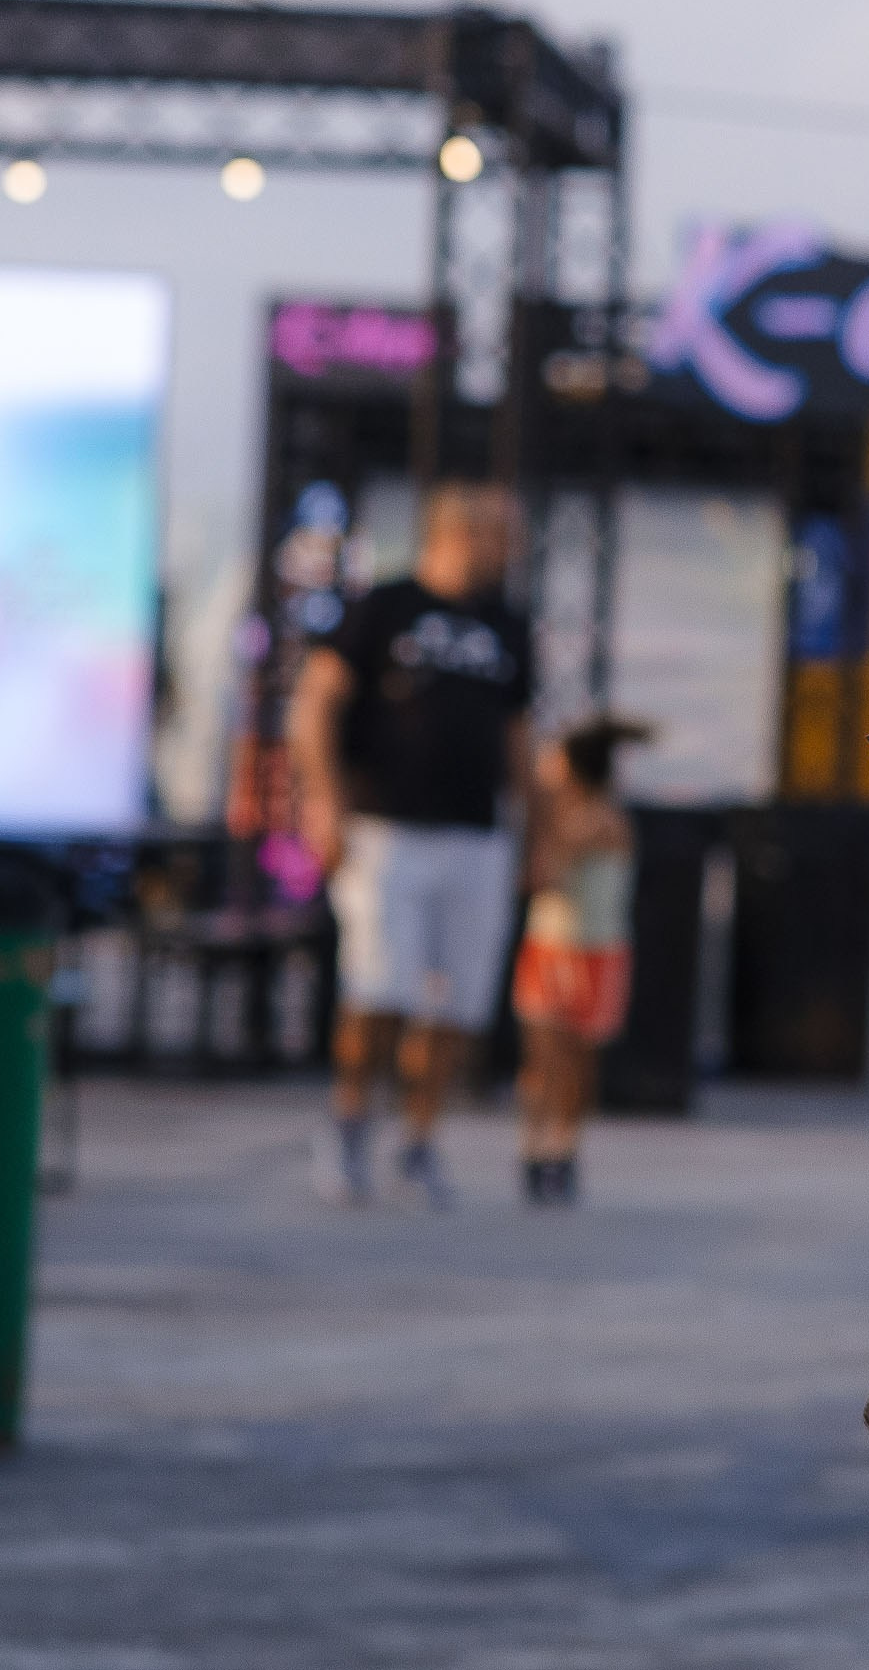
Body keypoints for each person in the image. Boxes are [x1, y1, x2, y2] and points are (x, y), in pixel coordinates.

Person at [289, 483, 533, 1211]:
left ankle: (420, 1139)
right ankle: (350, 1120)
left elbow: (519, 736)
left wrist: (537, 832)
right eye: (501, 534)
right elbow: (316, 701)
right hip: (384, 827)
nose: (510, 550)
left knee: (458, 1000)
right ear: (459, 531)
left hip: (475, 833)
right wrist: (323, 801)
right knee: (379, 986)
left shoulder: (507, 625)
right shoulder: (384, 605)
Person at [512, 716, 648, 1207]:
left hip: (592, 954)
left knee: (571, 1061)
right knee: (546, 1059)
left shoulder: (595, 820)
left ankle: (557, 1147)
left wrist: (535, 809)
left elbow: (541, 874)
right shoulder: (582, 817)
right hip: (554, 946)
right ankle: (540, 1146)